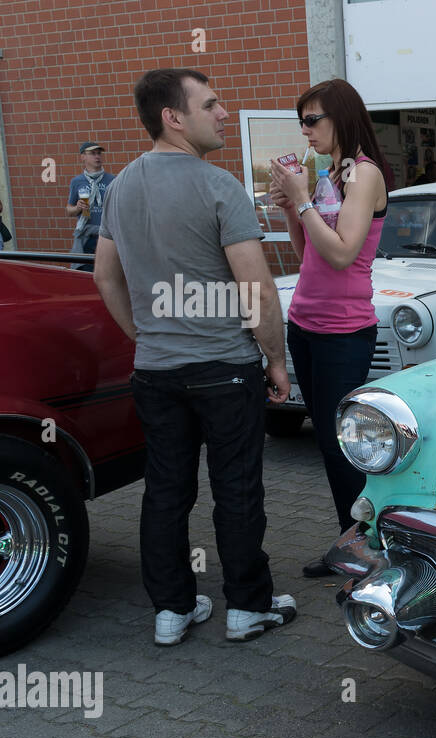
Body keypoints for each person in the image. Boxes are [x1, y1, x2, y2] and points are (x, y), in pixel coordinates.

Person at [93, 68, 297, 646]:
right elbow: (257, 289)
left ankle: (172, 611)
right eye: (212, 104)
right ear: (173, 117)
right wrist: (276, 361)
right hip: (224, 369)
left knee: (165, 489)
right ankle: (247, 608)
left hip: (156, 371)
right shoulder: (219, 185)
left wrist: (146, 334)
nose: (224, 113)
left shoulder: (121, 186)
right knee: (235, 488)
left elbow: (104, 277)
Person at [267, 78, 393, 578]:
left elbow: (342, 254)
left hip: (344, 331)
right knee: (327, 441)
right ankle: (351, 542)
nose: (306, 130)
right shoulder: (329, 177)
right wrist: (290, 208)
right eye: (302, 121)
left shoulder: (365, 174)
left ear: (342, 116)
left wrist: (300, 200)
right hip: (305, 323)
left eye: (312, 119)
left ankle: (372, 544)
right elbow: (310, 256)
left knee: (348, 447)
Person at [67, 142, 114, 267]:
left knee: (108, 273)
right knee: (86, 273)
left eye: (99, 153)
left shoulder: (112, 180)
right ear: (83, 157)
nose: (97, 156)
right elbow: (69, 210)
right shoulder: (77, 181)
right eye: (92, 153)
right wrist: (77, 207)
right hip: (87, 236)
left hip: (107, 235)